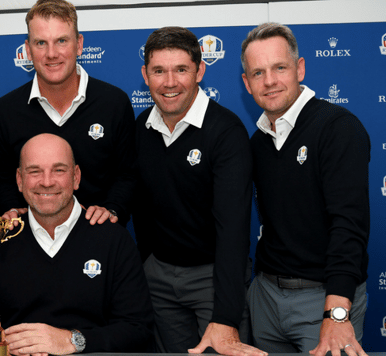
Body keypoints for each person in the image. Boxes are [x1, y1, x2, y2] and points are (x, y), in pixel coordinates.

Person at [0, 133, 154, 355]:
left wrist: (72, 340)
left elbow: (138, 330)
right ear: (19, 180)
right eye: (34, 171)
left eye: (59, 170)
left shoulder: (114, 240)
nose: (46, 182)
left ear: (76, 177)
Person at [131, 26, 264, 356]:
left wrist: (225, 316)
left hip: (213, 279)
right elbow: (141, 208)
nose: (170, 82)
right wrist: (149, 267)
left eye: (181, 70)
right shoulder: (141, 128)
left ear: (200, 71)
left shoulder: (226, 132)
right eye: (159, 71)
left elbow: (233, 230)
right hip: (158, 279)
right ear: (145, 75)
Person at [240, 23, 370, 356]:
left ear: (299, 68)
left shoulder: (338, 127)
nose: (269, 81)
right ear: (247, 83)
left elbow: (349, 224)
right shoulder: (257, 142)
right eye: (258, 72)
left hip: (323, 299)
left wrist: (337, 312)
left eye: (279, 68)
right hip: (266, 298)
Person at [0, 0, 135, 225]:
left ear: (79, 44)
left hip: (98, 238)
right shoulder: (5, 110)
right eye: (41, 43)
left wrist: (112, 209)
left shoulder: (114, 102)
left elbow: (127, 174)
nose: (51, 54)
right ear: (28, 50)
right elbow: (1, 178)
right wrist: (10, 209)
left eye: (61, 41)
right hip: (28, 244)